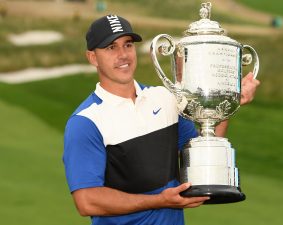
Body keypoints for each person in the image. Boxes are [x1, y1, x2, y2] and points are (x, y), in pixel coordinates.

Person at [63, 14, 260, 225]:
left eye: (127, 45)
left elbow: (201, 157)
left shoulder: (164, 98)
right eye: (111, 47)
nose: (123, 55)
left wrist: (228, 101)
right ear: (92, 57)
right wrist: (159, 201)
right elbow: (87, 202)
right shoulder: (85, 122)